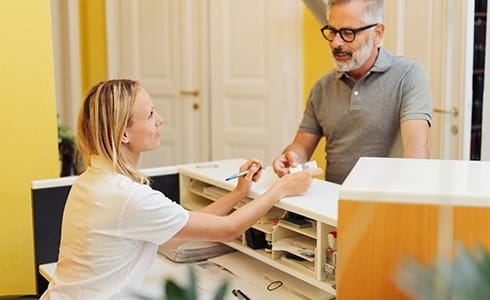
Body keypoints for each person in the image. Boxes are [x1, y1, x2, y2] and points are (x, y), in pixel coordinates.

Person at [40, 79, 322, 299]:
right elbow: (228, 230)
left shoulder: (93, 181)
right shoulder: (128, 198)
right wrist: (282, 187)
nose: (160, 120)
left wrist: (237, 194)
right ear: (123, 134)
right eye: (150, 114)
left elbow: (173, 237)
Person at [273, 0, 432, 184]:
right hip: (332, 202)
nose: (336, 43)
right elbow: (301, 146)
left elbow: (416, 152)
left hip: (384, 203)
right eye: (332, 31)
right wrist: (290, 157)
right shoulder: (322, 87)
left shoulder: (408, 75)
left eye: (348, 33)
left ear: (377, 33)